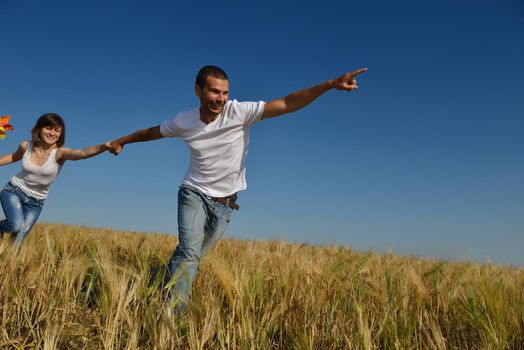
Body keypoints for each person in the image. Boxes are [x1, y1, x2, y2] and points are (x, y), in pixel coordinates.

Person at [107, 65, 367, 310]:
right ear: (198, 91)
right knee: (189, 254)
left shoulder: (239, 112)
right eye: (214, 91)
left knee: (192, 257)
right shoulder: (183, 121)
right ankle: (172, 316)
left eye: (225, 92)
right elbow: (153, 132)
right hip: (193, 193)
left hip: (225, 205)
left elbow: (288, 104)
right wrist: (123, 140)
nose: (220, 98)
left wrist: (330, 84)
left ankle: (153, 280)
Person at [0, 113, 110, 245]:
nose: (52, 133)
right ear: (39, 129)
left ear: (61, 134)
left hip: (35, 203)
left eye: (57, 130)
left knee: (17, 241)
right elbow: (14, 156)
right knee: (15, 225)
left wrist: (104, 146)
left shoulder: (60, 153)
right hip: (14, 190)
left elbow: (83, 153)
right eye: (48, 128)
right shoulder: (26, 146)